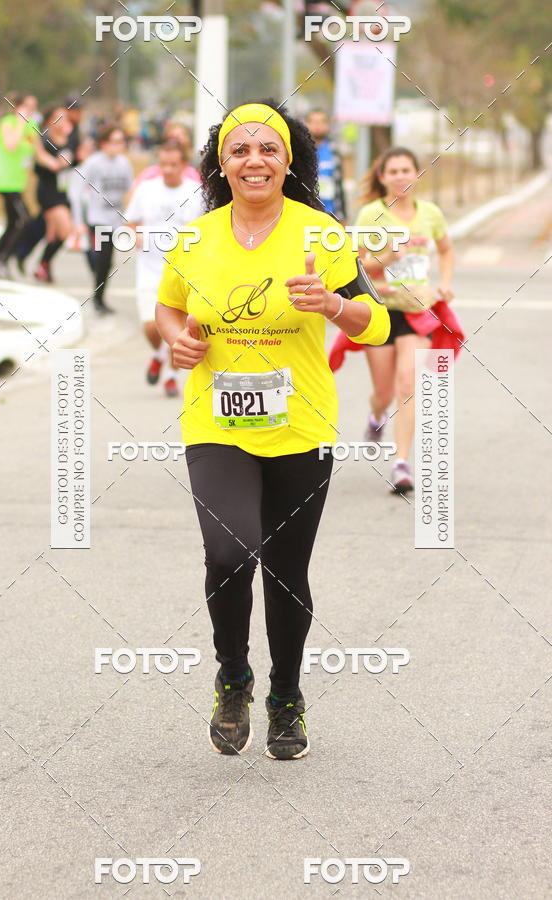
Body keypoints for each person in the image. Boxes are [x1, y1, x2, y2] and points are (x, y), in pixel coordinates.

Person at [155, 100, 389, 760]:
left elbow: (377, 324)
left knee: (286, 571)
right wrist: (177, 342)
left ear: (289, 162)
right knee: (229, 554)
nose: (254, 160)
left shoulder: (323, 235)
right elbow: (167, 308)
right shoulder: (195, 238)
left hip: (301, 427)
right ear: (220, 164)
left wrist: (334, 304)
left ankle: (286, 695)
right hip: (216, 424)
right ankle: (233, 677)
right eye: (240, 149)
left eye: (268, 149)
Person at [355, 147, 455, 493]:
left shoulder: (430, 214)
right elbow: (355, 266)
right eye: (393, 171)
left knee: (407, 384)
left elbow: (446, 249)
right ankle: (376, 416)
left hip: (417, 310)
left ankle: (401, 464)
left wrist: (444, 283)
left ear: (417, 174)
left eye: (406, 170)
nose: (400, 176)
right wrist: (387, 257)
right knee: (383, 392)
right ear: (382, 177)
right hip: (381, 311)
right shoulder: (370, 215)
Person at [125, 140, 203, 395]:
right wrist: (133, 236)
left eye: (173, 164)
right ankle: (158, 355)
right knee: (151, 326)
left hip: (184, 272)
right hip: (150, 269)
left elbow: (209, 229)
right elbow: (130, 223)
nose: (168, 169)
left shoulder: (197, 193)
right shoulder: (146, 190)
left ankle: (170, 376)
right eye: (163, 164)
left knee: (178, 330)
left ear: (184, 165)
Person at [72, 125, 133, 314]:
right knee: (104, 259)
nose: (119, 145)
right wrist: (78, 221)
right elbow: (76, 191)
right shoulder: (93, 163)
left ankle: (98, 293)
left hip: (115, 219)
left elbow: (130, 191)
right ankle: (98, 301)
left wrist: (130, 218)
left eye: (121, 141)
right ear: (104, 143)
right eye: (115, 141)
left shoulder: (124, 163)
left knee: (105, 261)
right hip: (98, 218)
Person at [0, 93, 39, 278]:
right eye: (27, 106)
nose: (31, 111)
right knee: (23, 220)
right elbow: (11, 145)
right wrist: (21, 123)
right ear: (17, 107)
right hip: (4, 180)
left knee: (13, 223)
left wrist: (58, 162)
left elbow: (37, 151)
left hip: (18, 181)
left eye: (33, 107)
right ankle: (1, 261)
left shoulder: (32, 125)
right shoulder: (7, 123)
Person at [32, 106, 74, 283]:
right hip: (48, 192)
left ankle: (43, 267)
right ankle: (43, 264)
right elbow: (38, 167)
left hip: (63, 191)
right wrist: (55, 164)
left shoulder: (69, 139)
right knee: (66, 231)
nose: (63, 121)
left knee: (53, 234)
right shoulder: (44, 141)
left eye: (65, 117)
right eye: (59, 117)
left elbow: (73, 163)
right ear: (50, 120)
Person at [130, 122, 200, 192]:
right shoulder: (152, 173)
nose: (168, 170)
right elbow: (135, 190)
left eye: (182, 135)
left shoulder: (195, 170)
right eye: (173, 136)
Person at [305, 108, 347, 222]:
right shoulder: (301, 151)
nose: (318, 126)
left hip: (331, 213)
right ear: (306, 124)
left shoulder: (334, 150)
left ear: (328, 125)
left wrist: (343, 216)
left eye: (322, 122)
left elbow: (339, 185)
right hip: (308, 213)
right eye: (314, 122)